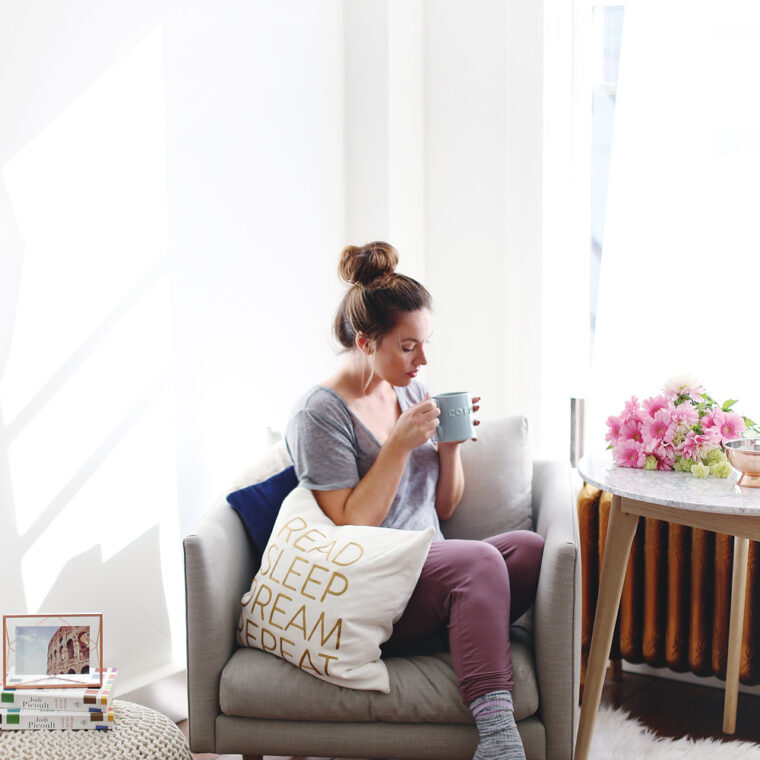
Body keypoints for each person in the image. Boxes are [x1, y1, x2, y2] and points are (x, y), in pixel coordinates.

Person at [285, 241, 544, 760]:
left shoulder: (408, 388)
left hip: (428, 572)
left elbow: (443, 509)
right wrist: (400, 445)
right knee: (477, 562)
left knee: (528, 550)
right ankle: (497, 737)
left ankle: (463, 623)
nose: (421, 360)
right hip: (372, 584)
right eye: (408, 347)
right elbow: (351, 522)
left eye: (424, 344)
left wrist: (449, 448)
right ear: (365, 341)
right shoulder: (320, 414)